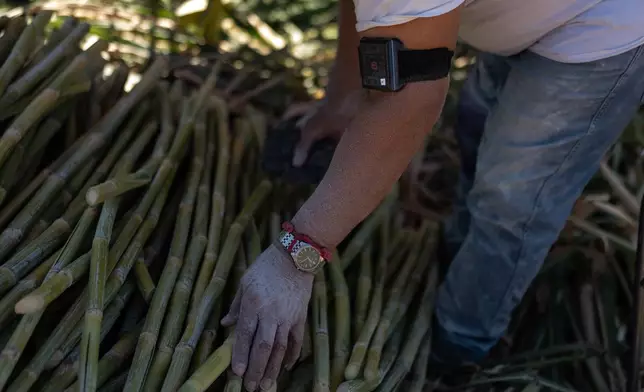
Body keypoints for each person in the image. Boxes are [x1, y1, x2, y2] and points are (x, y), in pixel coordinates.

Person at [221, 0, 644, 390]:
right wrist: (341, 100)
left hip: (596, 28)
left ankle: (455, 353)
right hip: (527, 15)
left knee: (510, 205)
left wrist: (296, 256)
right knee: (479, 136)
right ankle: (457, 263)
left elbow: (408, 104)